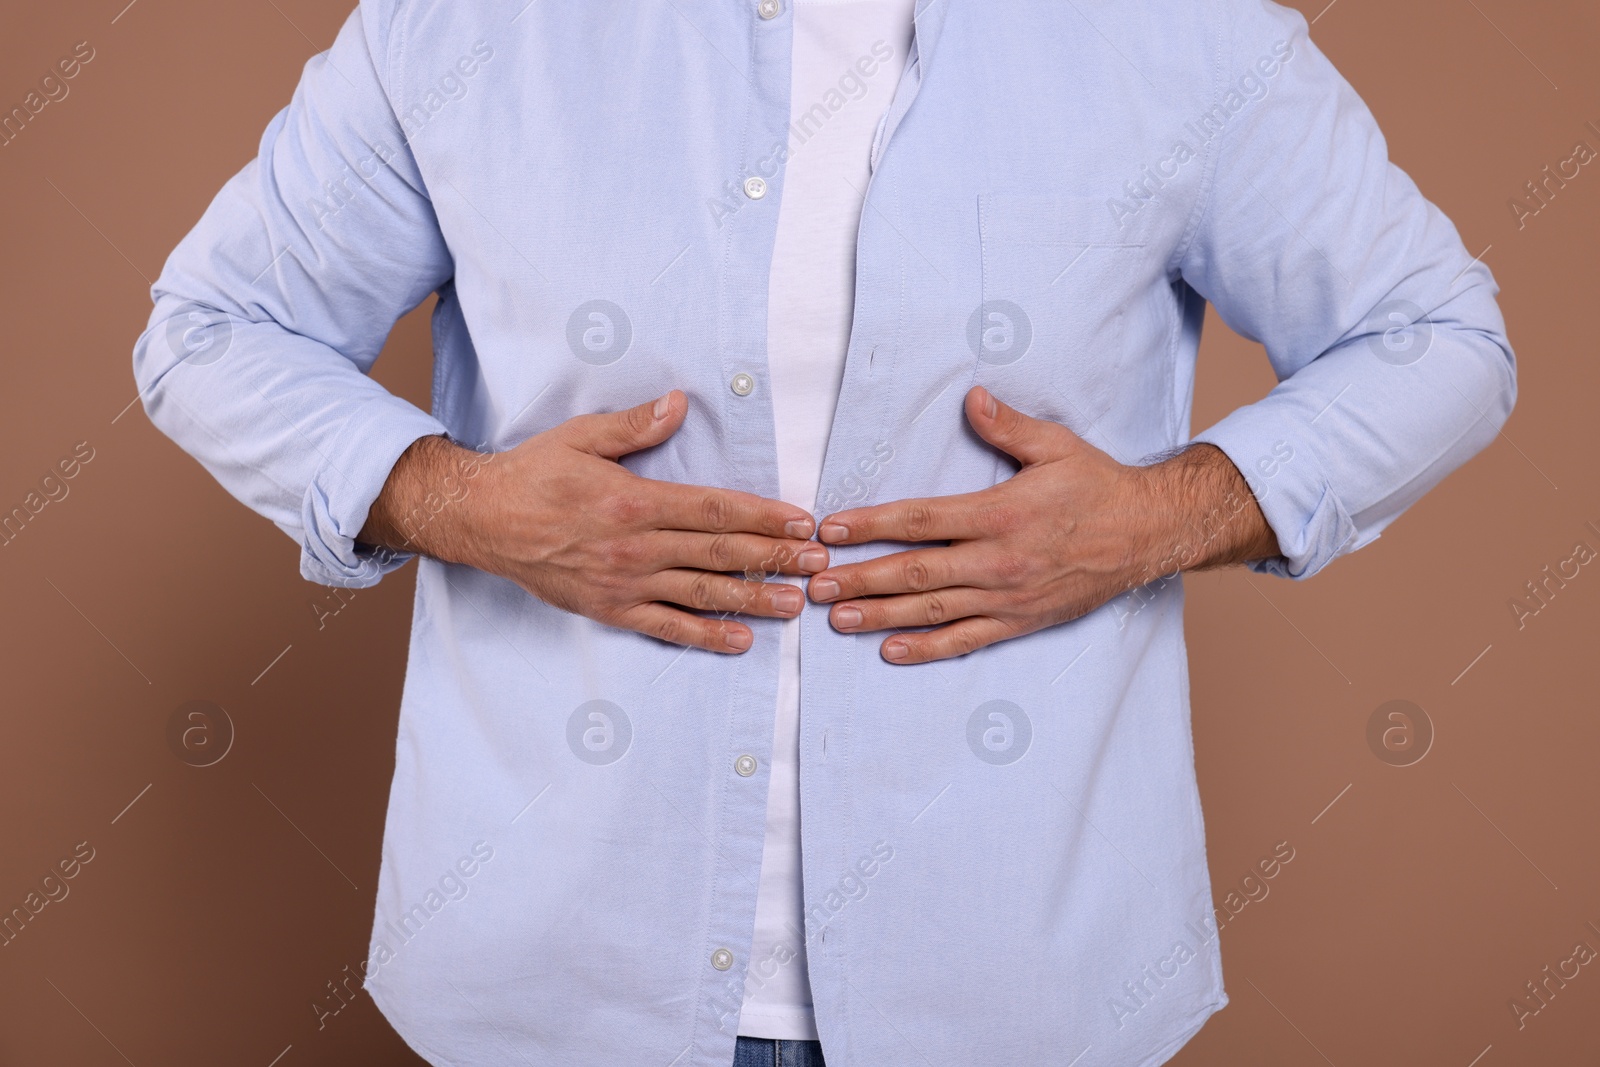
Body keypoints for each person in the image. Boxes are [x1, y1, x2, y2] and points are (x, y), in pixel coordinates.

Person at [132, 0, 1515, 1064]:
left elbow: (1438, 340)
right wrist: (466, 504)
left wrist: (1160, 516)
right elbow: (210, 332)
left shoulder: (1175, 35)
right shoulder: (471, 30)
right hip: (558, 986)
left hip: (1016, 983)